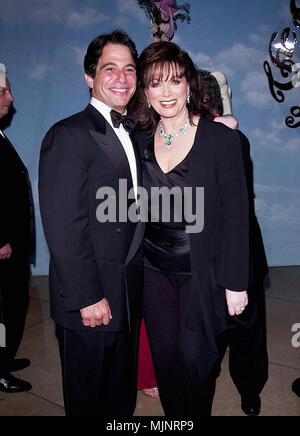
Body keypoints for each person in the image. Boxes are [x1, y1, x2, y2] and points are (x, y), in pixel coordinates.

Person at [129, 41, 249, 416]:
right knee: (166, 361)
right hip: (152, 273)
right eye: (156, 83)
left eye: (175, 81)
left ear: (188, 85)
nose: (166, 93)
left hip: (203, 272)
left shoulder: (219, 139)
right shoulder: (138, 140)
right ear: (145, 92)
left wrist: (236, 282)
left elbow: (237, 215)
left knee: (197, 361)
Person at [38, 30, 144, 417]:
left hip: (127, 295)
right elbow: (64, 225)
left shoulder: (135, 133)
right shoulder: (68, 135)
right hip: (90, 299)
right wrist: (87, 295)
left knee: (119, 401)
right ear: (89, 76)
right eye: (110, 68)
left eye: (130, 69)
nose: (122, 78)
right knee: (88, 402)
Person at [198, 69, 269, 416]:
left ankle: (250, 392)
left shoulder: (231, 140)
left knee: (246, 330)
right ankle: (209, 390)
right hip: (203, 255)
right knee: (209, 331)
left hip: (240, 249)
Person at [0, 70, 35, 393]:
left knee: (13, 305)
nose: (10, 98)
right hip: (2, 249)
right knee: (2, 310)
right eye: (3, 92)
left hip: (13, 245)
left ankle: (3, 356)